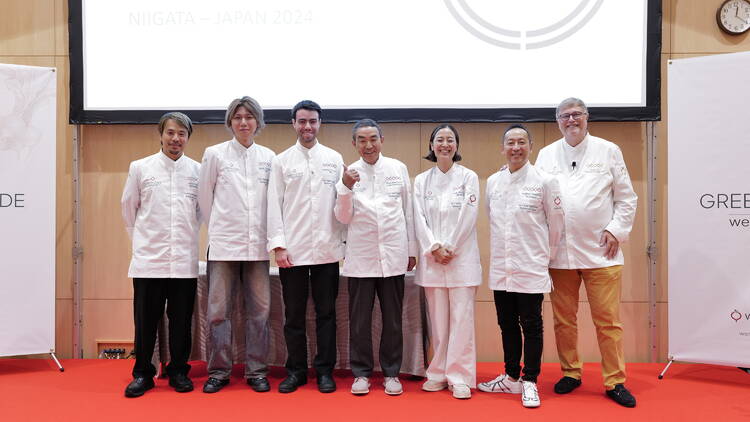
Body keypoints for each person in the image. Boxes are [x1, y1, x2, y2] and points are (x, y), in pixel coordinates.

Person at [535, 97, 638, 408]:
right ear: (557, 121)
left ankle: (615, 380)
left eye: (576, 114)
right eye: (565, 116)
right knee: (563, 321)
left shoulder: (608, 150)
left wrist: (615, 230)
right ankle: (571, 372)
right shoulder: (546, 154)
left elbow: (627, 198)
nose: (571, 120)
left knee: (607, 322)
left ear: (587, 117)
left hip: (601, 253)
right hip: (560, 255)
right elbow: (537, 198)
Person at [478, 124, 564, 408]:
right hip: (502, 267)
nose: (516, 148)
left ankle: (530, 381)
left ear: (530, 146)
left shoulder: (545, 180)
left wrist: (544, 258)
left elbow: (556, 225)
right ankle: (511, 377)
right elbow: (492, 218)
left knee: (532, 325)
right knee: (506, 324)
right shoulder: (493, 182)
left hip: (531, 265)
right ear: (502, 148)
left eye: (521, 142)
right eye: (510, 143)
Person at [197, 96, 276, 393]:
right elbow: (205, 199)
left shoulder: (269, 157)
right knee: (218, 312)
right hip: (223, 245)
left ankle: (256, 371)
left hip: (257, 247)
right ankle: (218, 371)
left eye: (249, 117)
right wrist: (219, 228)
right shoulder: (214, 154)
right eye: (238, 117)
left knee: (260, 312)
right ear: (230, 122)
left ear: (258, 122)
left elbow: (273, 204)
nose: (244, 122)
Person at [334, 119, 417, 396]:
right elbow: (342, 218)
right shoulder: (347, 174)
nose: (368, 145)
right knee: (359, 322)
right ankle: (361, 373)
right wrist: (345, 188)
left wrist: (411, 250)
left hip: (393, 256)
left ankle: (391, 372)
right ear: (354, 144)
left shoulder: (398, 169)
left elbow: (408, 212)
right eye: (361, 140)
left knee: (393, 320)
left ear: (382, 140)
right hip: (361, 259)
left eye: (373, 139)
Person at [267, 100, 345, 393]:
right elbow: (274, 206)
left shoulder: (334, 159)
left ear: (320, 123)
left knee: (326, 314)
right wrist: (278, 246)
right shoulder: (282, 161)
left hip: (327, 250)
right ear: (293, 124)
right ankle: (297, 371)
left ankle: (325, 371)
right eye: (302, 121)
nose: (307, 127)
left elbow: (342, 205)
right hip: (293, 252)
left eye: (312, 121)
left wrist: (343, 245)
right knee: (294, 316)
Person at [121, 112, 200, 397]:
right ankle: (143, 373)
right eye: (170, 132)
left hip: (183, 261)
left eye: (181, 133)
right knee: (145, 322)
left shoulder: (198, 171)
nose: (176, 138)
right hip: (148, 261)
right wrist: (142, 242)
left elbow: (202, 213)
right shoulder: (141, 168)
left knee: (181, 321)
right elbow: (128, 210)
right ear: (161, 134)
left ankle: (178, 371)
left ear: (188, 138)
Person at [412, 124, 481, 400]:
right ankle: (438, 373)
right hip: (432, 261)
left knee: (461, 321)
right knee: (438, 322)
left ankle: (460, 376)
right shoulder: (421, 180)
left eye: (450, 140)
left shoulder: (469, 177)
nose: (444, 144)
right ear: (431, 145)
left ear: (456, 146)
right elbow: (418, 218)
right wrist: (433, 247)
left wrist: (449, 246)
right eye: (439, 139)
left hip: (461, 259)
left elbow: (469, 215)